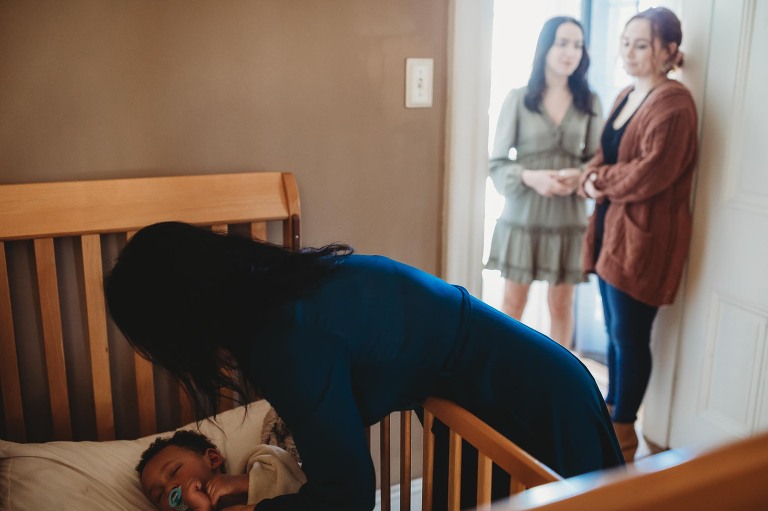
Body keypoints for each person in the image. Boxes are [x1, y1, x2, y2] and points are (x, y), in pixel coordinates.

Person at [105, 221, 624, 511]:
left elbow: (348, 497)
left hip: (528, 402)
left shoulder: (282, 339)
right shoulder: (283, 287)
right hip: (488, 401)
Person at [579, 7, 698, 462]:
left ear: (668, 51)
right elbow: (603, 153)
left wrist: (596, 183)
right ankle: (614, 412)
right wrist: (594, 175)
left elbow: (650, 174)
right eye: (625, 42)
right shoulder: (627, 93)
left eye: (641, 44)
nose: (628, 52)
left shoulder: (675, 104)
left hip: (645, 239)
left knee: (630, 335)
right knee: (612, 331)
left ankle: (625, 432)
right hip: (612, 232)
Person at [487, 16, 603, 348]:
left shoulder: (589, 102)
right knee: (512, 305)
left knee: (561, 305)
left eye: (578, 45)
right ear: (545, 47)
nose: (570, 52)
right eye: (562, 43)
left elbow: (597, 159)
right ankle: (500, 376)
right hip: (523, 219)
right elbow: (496, 163)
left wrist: (579, 175)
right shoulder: (519, 98)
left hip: (568, 220)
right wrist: (530, 177)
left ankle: (560, 381)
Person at [137, 430, 305, 511]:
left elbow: (293, 478)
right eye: (159, 496)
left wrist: (244, 482)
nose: (169, 489)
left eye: (174, 471)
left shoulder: (260, 467)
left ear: (213, 459)